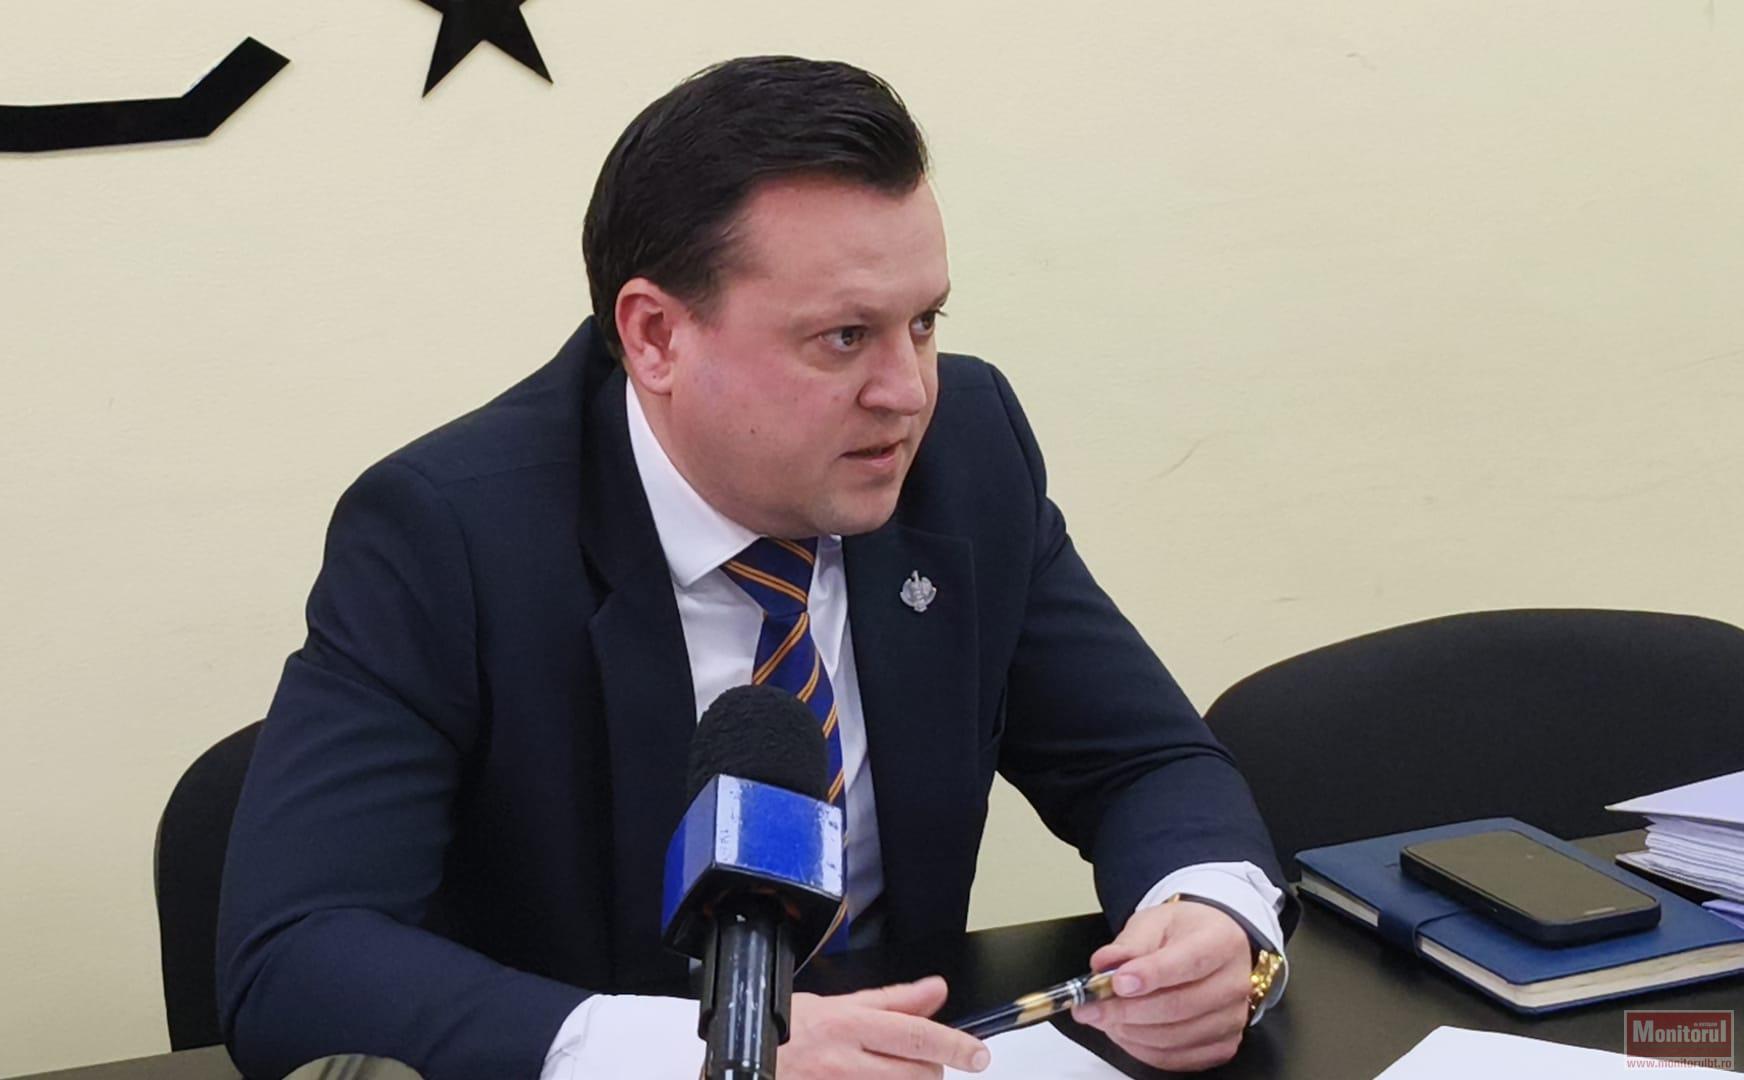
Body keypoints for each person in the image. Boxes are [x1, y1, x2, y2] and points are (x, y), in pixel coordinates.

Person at [216, 55, 1295, 1080]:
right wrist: (702, 1054)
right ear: (655, 337)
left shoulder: (965, 453)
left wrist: (1211, 915)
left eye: (924, 323)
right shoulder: (447, 535)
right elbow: (295, 954)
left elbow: (1142, 762)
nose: (908, 392)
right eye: (844, 337)